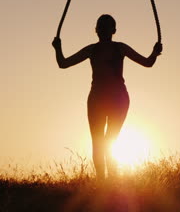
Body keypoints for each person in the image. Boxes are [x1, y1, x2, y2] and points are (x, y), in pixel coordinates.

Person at [52, 14, 162, 179]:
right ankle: (103, 183)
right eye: (101, 26)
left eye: (106, 26)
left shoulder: (119, 48)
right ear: (96, 30)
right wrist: (57, 48)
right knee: (99, 141)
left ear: (113, 30)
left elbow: (148, 62)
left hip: (117, 97)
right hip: (99, 97)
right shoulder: (93, 49)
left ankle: (110, 181)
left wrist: (154, 52)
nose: (103, 30)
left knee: (109, 139)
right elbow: (63, 63)